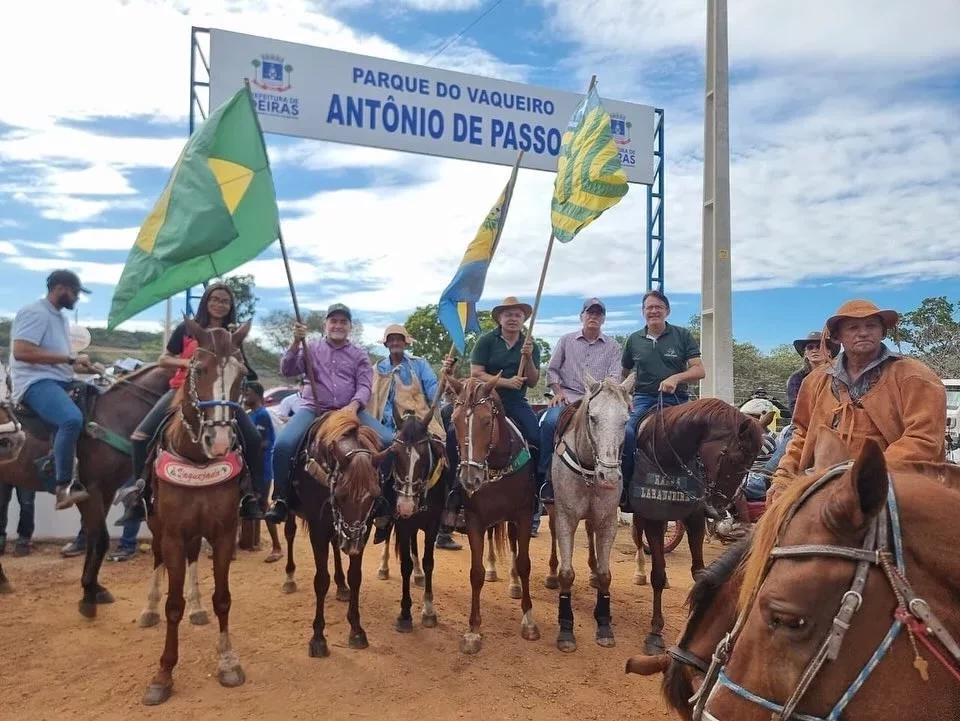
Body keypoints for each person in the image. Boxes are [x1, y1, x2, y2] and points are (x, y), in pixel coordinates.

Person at [115, 282, 264, 524]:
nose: (219, 304)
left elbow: (243, 367)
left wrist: (235, 366)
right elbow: (164, 359)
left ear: (230, 306)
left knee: (254, 439)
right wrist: (189, 364)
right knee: (140, 437)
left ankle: (252, 495)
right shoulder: (186, 329)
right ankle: (140, 496)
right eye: (214, 299)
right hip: (182, 391)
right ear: (206, 302)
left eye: (225, 301)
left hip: (221, 397)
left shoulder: (232, 335)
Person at [770, 299, 947, 502]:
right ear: (837, 337)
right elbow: (801, 434)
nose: (863, 333)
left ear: (882, 332)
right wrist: (783, 476)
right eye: (853, 327)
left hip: (894, 483)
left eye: (871, 326)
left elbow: (923, 440)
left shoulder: (915, 376)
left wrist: (862, 472)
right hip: (821, 480)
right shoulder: (815, 380)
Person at [264, 303, 393, 523]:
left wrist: (353, 406)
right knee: (283, 445)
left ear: (350, 327)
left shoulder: (359, 355)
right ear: (326, 324)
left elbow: (364, 386)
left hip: (349, 411)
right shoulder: (310, 348)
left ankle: (382, 498)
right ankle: (281, 499)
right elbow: (287, 369)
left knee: (389, 442)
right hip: (313, 409)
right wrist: (295, 342)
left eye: (343, 322)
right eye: (334, 321)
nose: (338, 326)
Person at [441, 297, 542, 525]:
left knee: (535, 436)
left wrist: (528, 359)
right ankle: (454, 491)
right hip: (482, 400)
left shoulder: (529, 344)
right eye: (508, 314)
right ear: (499, 318)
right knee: (453, 435)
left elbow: (533, 381)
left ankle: (536, 491)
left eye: (517, 315)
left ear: (524, 319)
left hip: (515, 402)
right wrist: (506, 382)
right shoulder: (486, 341)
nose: (513, 318)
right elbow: (476, 373)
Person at [8, 270, 101, 509]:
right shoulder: (35, 312)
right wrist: (71, 358)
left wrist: (85, 367)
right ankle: (63, 486)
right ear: (60, 289)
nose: (77, 297)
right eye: (75, 292)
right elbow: (21, 351)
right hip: (35, 382)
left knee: (101, 400)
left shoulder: (60, 318)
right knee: (70, 419)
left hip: (60, 380)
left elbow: (60, 361)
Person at [538, 298, 622, 503]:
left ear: (603, 319)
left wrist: (604, 396)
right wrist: (557, 392)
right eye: (589, 313)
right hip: (568, 399)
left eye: (598, 314)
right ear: (581, 316)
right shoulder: (566, 340)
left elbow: (614, 378)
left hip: (599, 402)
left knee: (626, 432)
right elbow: (552, 370)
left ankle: (622, 484)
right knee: (549, 423)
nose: (593, 317)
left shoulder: (613, 346)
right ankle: (546, 478)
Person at [620, 290, 705, 491]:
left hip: (677, 399)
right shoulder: (634, 339)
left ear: (667, 311)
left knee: (700, 434)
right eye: (649, 307)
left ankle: (702, 489)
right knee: (626, 433)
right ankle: (625, 487)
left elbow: (699, 370)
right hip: (643, 399)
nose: (653, 311)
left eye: (658, 307)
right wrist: (624, 395)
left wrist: (676, 378)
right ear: (643, 312)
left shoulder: (682, 335)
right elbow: (623, 375)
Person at [787, 331, 839, 415]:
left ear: (829, 352)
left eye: (819, 347)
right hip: (805, 419)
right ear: (805, 353)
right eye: (810, 348)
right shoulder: (797, 378)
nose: (814, 351)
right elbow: (794, 406)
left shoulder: (839, 375)